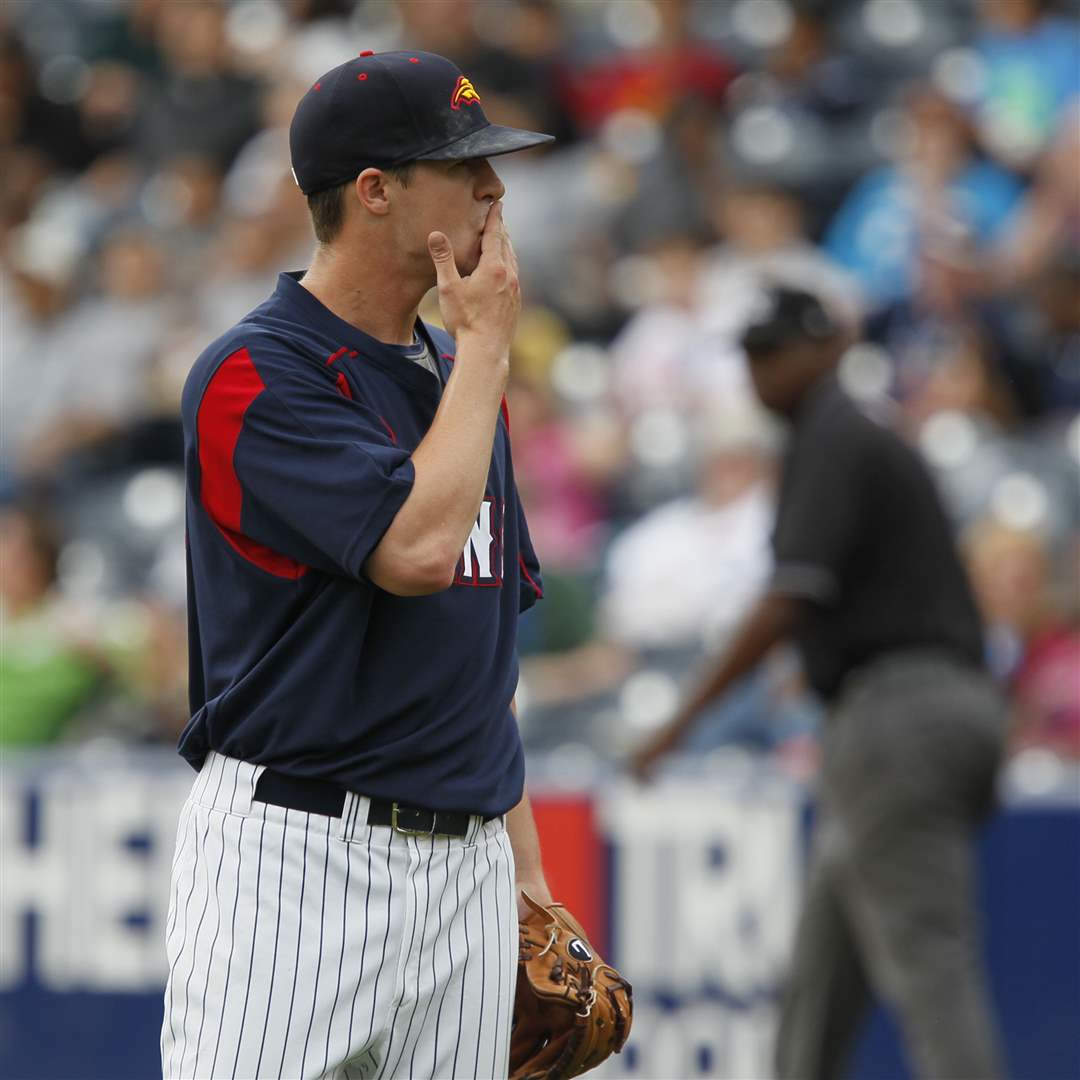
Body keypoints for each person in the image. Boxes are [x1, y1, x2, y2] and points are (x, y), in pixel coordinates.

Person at [161, 51, 557, 1079]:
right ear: (375, 192)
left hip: (464, 867)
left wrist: (528, 880)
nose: (495, 188)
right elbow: (419, 552)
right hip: (298, 863)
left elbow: (481, 663)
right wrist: (485, 356)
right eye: (462, 165)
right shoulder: (255, 373)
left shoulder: (454, 376)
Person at [632, 285, 1007, 1080]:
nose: (762, 370)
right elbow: (875, 587)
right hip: (917, 707)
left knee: (931, 974)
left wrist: (678, 724)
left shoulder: (833, 432)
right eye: (752, 353)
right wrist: (814, 662)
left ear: (828, 347)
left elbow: (786, 598)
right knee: (821, 982)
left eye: (776, 350)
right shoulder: (850, 434)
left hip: (900, 721)